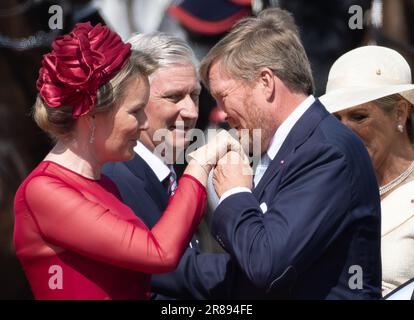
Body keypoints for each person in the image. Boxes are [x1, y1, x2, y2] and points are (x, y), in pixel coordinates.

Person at [13, 22, 240, 300]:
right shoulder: (44, 191)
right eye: (134, 112)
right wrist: (200, 165)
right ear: (93, 114)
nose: (141, 124)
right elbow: (160, 253)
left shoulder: (105, 184)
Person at [199, 8, 382, 299]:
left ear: (266, 82)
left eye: (223, 96)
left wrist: (234, 193)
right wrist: (160, 266)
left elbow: (264, 263)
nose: (220, 112)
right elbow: (247, 270)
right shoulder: (286, 146)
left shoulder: (326, 152)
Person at [103, 32, 233, 299]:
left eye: (194, 95)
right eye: (174, 97)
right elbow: (166, 275)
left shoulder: (169, 167)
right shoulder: (115, 179)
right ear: (133, 99)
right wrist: (264, 265)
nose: (192, 111)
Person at [320, 45, 414, 296]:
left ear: (400, 112)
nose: (343, 132)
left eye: (359, 117)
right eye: (335, 119)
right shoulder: (320, 187)